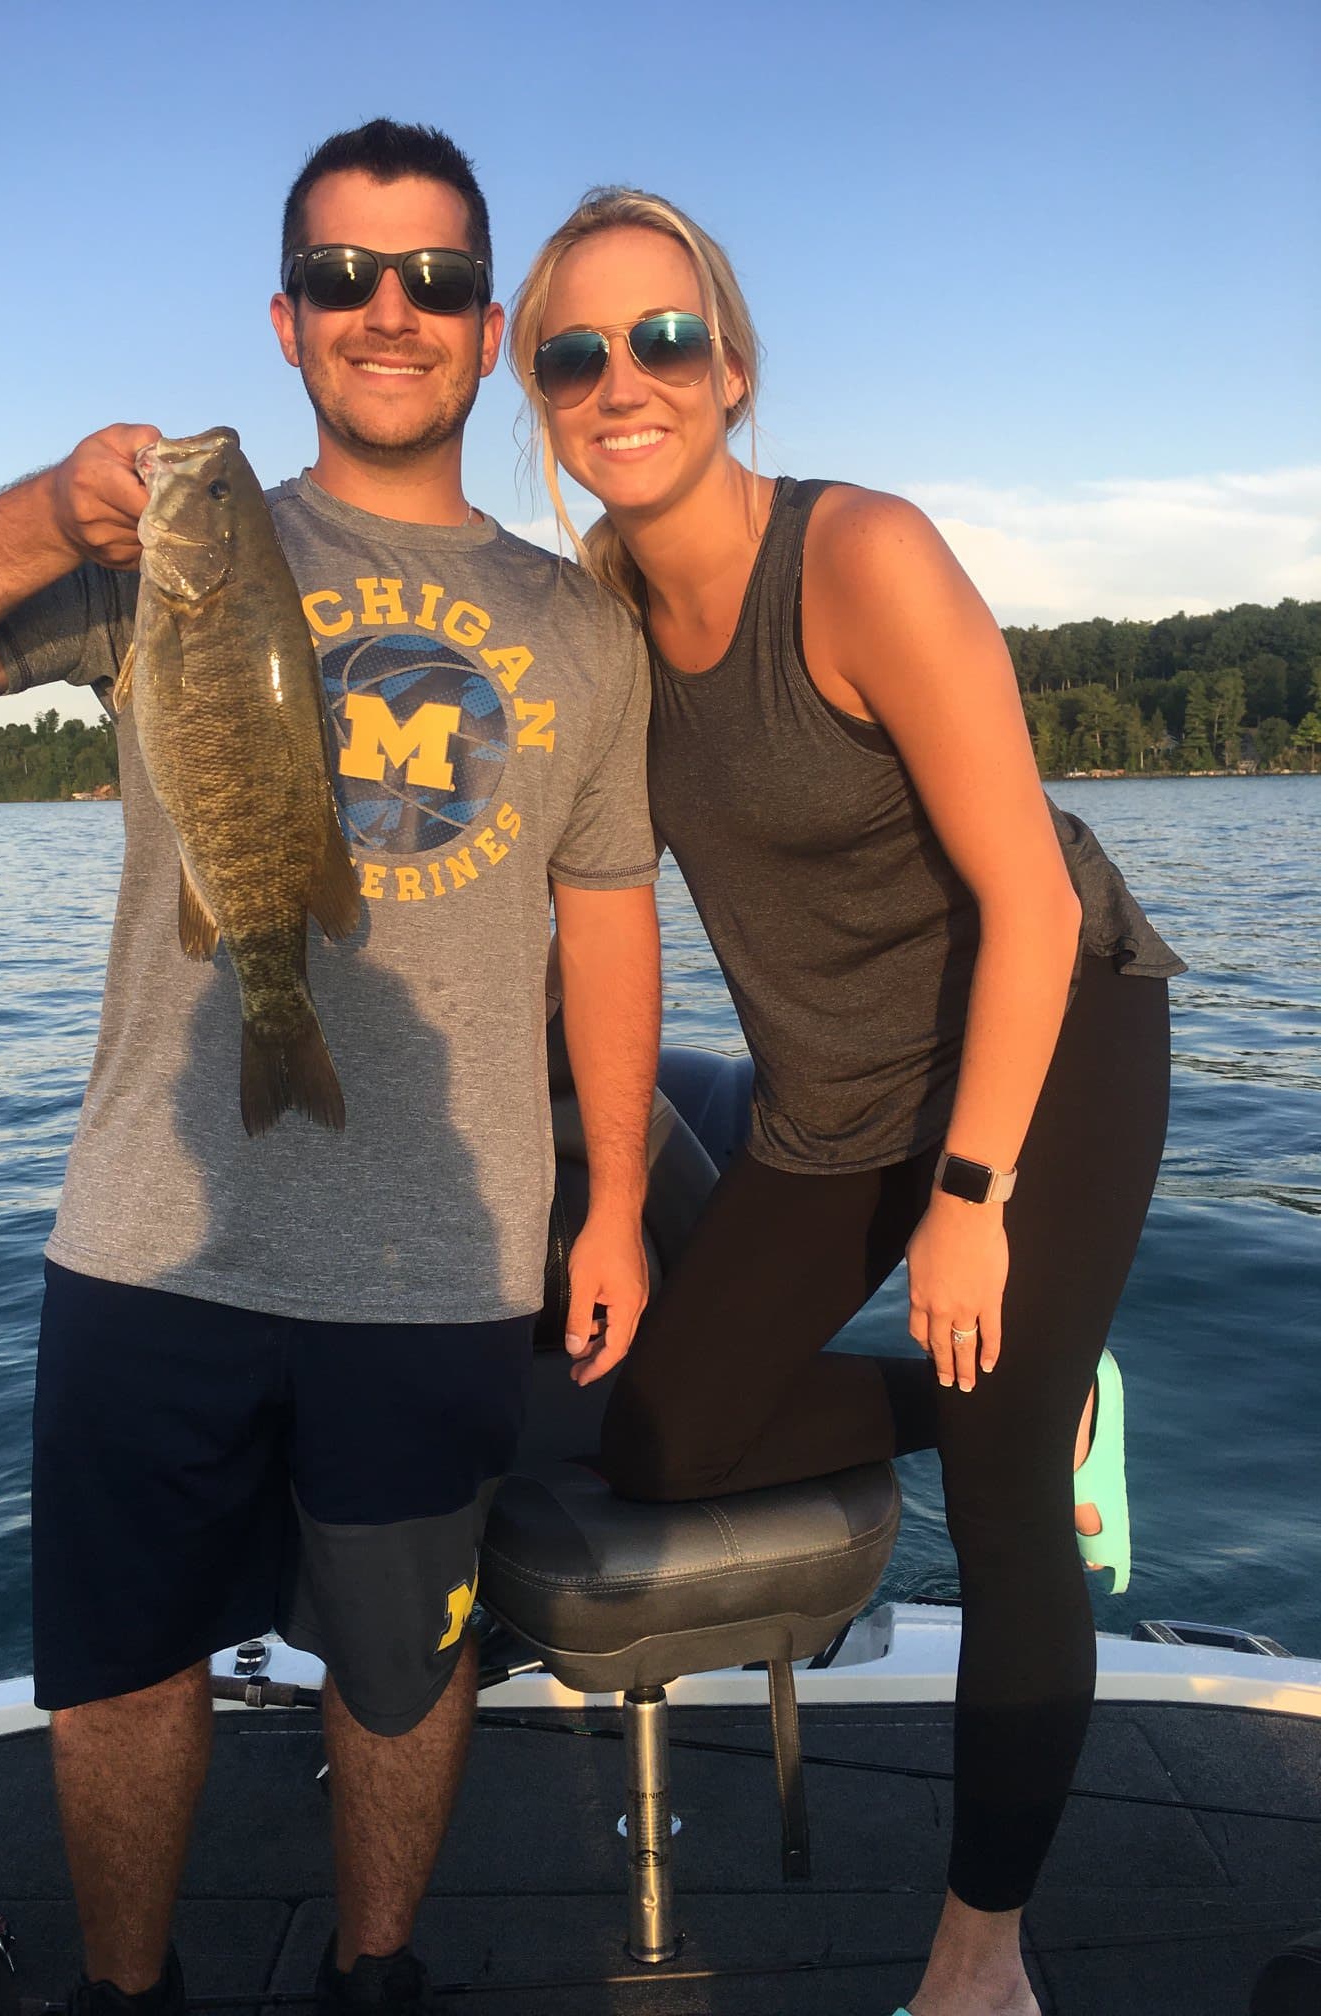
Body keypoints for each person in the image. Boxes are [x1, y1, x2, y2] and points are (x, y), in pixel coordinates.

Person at [0, 125, 661, 2016]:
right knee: (123, 1673)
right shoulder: (161, 562)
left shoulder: (580, 623)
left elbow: (609, 919)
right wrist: (53, 511)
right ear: (286, 321)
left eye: (438, 280)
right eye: (346, 277)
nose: (392, 311)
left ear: (489, 324)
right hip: (152, 1236)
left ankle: (375, 1978)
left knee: (402, 1669)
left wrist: (616, 1197)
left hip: (436, 1262)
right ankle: (129, 1996)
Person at [510, 188, 1183, 2016]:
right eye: (574, 353)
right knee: (662, 1441)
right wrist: (608, 1201)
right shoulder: (600, 628)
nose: (623, 381)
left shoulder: (861, 556)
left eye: (664, 339)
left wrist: (970, 1201)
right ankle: (1024, 1393)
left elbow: (1033, 904)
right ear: (541, 393)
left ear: (731, 366)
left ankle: (982, 1960)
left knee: (1003, 1494)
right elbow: (603, 919)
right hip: (834, 1095)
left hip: (1047, 1038)